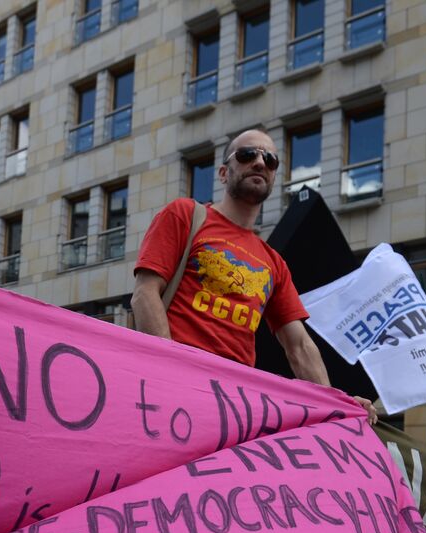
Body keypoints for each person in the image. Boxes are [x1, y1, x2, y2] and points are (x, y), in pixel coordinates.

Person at [131, 128, 376, 423]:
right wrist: (173, 373)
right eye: (247, 155)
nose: (260, 162)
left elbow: (299, 345)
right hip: (175, 393)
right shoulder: (185, 215)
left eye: (270, 160)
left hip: (233, 408)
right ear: (223, 173)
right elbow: (144, 294)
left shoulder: (274, 263)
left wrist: (335, 404)